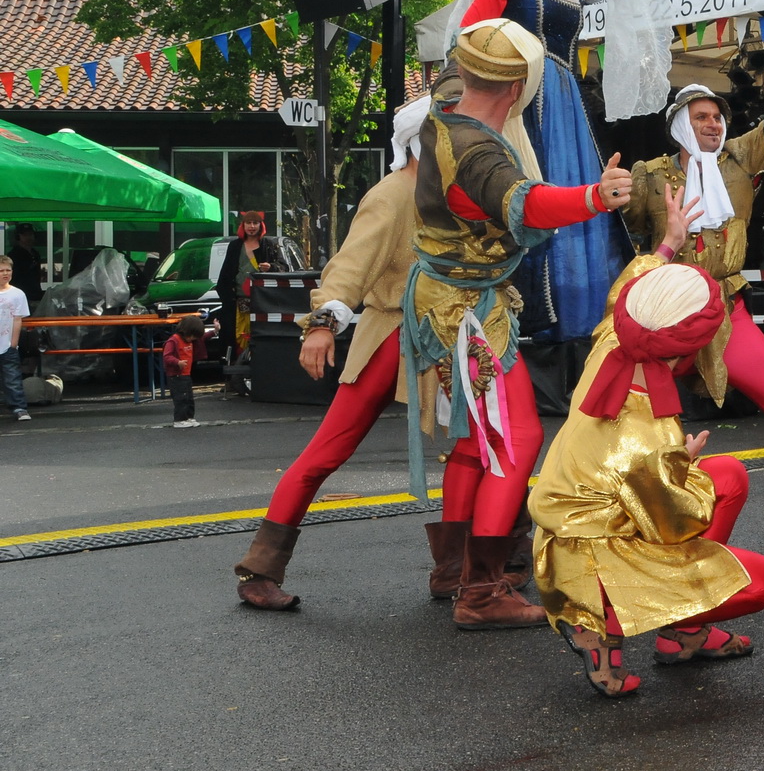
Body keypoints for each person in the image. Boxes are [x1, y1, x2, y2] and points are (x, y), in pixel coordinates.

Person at [232, 98, 517, 615]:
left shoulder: (448, 195)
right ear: (422, 141)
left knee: (474, 444)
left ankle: (455, 569)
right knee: (328, 451)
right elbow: (349, 266)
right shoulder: (392, 195)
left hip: (446, 337)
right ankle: (260, 568)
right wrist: (321, 324)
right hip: (392, 337)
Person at [403, 16, 634, 630]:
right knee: (515, 438)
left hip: (451, 300)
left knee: (477, 440)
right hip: (466, 312)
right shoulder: (478, 148)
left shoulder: (444, 114)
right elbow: (525, 204)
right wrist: (594, 196)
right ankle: (479, 592)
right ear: (518, 89)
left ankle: (454, 569)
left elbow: (477, 48)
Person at [530, 188, 764, 698]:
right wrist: (677, 468)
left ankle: (682, 635)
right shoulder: (649, 434)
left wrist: (668, 244)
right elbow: (677, 522)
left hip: (571, 531)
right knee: (761, 581)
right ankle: (598, 625)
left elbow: (631, 286)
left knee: (728, 475)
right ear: (695, 343)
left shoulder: (614, 341)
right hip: (591, 564)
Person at [618, 0, 764, 531]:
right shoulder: (651, 175)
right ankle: (637, 516)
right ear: (679, 124)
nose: (713, 124)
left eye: (718, 117)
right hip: (668, 317)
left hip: (726, 311)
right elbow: (621, 222)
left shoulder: (743, 158)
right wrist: (605, 195)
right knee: (642, 422)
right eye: (701, 117)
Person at [450, 0, 681, 344]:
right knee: (529, 187)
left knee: (576, 193)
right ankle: (528, 312)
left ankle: (579, 317)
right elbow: (472, 27)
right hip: (521, 96)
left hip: (565, 98)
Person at [215, 210, 285, 361]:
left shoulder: (269, 245)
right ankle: (237, 373)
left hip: (264, 303)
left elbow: (283, 268)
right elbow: (225, 277)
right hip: (238, 304)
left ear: (261, 225)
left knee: (262, 339)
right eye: (248, 223)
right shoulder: (235, 246)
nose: (252, 226)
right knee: (236, 339)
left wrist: (271, 267)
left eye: (255, 223)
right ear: (243, 225)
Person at [0, 256, 30, 421]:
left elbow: (18, 319)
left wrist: (14, 343)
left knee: (12, 377)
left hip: (7, 345)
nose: (5, 274)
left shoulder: (17, 294)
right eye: (1, 271)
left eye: (8, 270)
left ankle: (19, 407)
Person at [162, 314, 202, 429]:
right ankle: (180, 419)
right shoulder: (174, 340)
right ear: (186, 331)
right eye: (192, 337)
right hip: (176, 375)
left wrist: (214, 331)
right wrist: (177, 362)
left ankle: (189, 417)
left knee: (189, 398)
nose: (192, 340)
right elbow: (167, 356)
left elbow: (203, 338)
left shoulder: (189, 340)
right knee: (181, 398)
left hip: (186, 374)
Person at [7, 224, 44, 304]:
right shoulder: (13, 255)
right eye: (25, 235)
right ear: (18, 237)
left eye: (30, 234)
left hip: (35, 295)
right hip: (20, 296)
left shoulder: (35, 253)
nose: (28, 237)